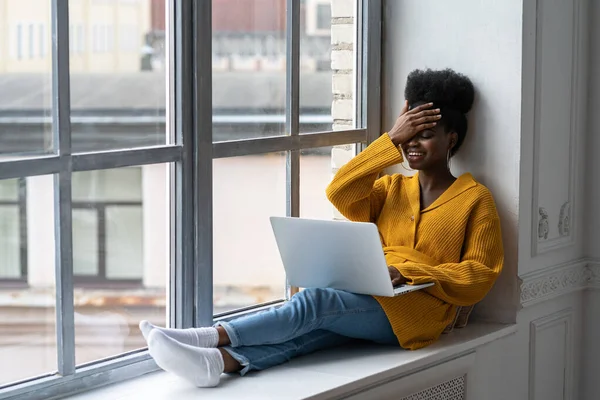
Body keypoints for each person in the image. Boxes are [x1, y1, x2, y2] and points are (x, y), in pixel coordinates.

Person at [139, 68, 504, 388]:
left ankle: (207, 336)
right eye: (408, 136)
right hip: (371, 298)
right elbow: (340, 191)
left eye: (424, 135)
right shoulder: (391, 188)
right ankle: (216, 363)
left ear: (451, 139)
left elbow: (481, 274)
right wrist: (389, 140)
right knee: (314, 333)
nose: (412, 145)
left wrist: (409, 273)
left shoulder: (475, 199)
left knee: (315, 302)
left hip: (420, 312)